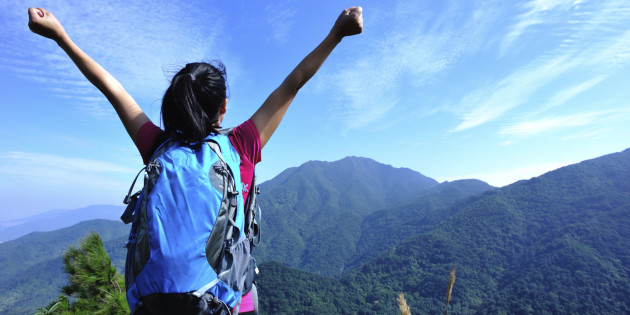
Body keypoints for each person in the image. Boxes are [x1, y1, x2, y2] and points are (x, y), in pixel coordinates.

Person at [28, 5, 362, 315]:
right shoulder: (241, 145)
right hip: (227, 305)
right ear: (224, 107)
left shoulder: (157, 146)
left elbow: (111, 88)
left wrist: (61, 36)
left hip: (155, 304)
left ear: (172, 107)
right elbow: (294, 82)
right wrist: (337, 34)